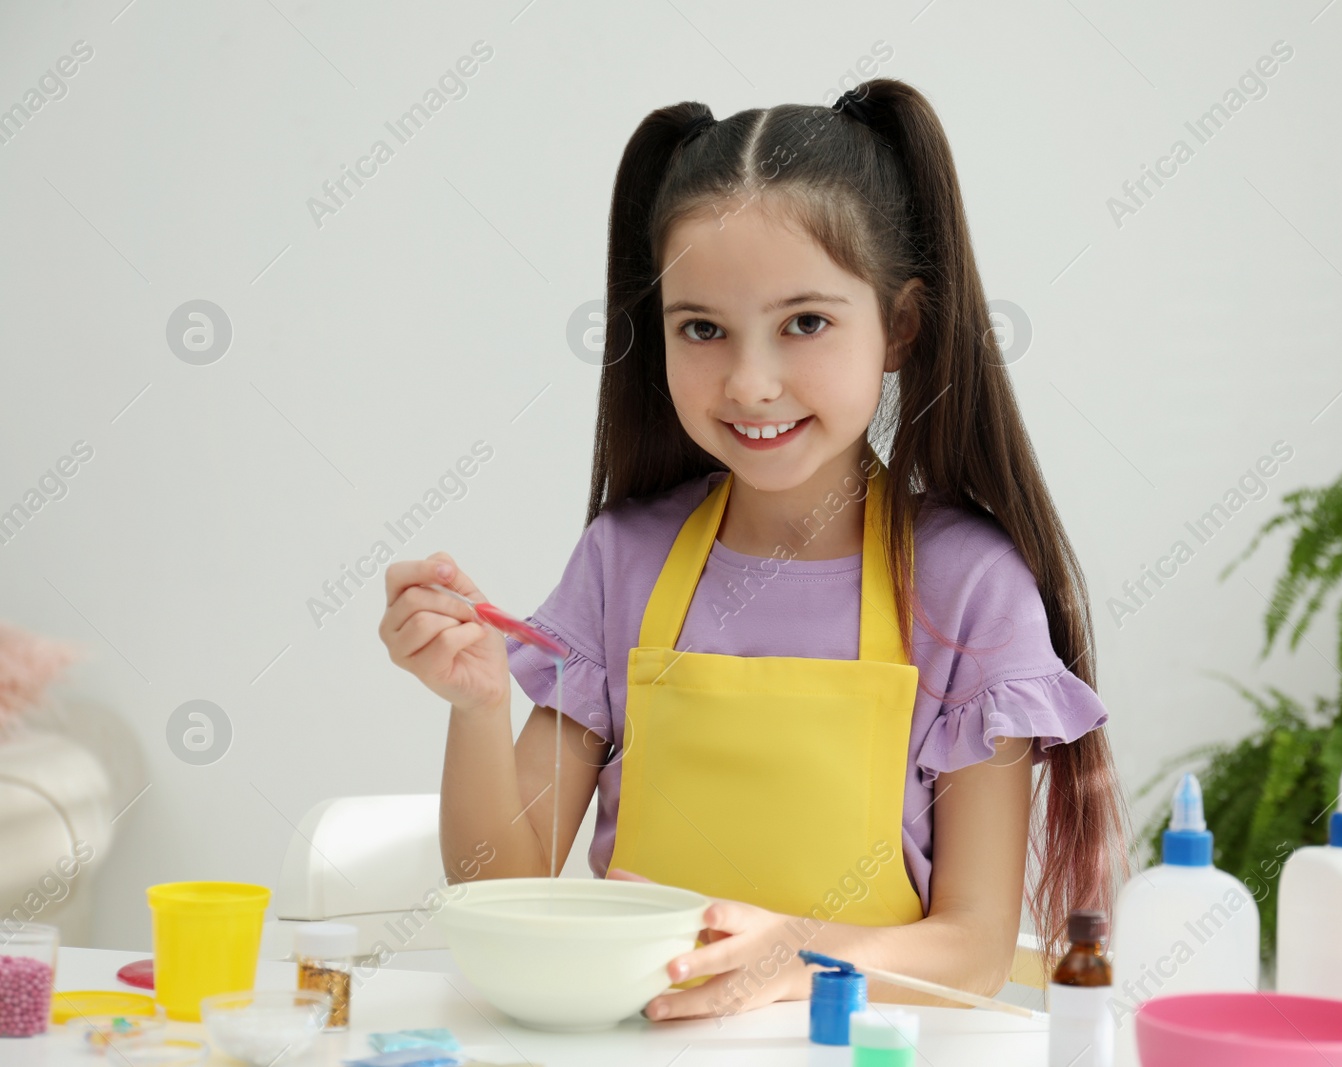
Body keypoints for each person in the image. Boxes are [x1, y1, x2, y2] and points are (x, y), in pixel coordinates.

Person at [379, 77, 1127, 1023]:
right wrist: (479, 706)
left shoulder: (972, 585)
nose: (751, 381)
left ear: (899, 324)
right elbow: (503, 885)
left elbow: (973, 952)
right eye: (702, 329)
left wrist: (792, 956)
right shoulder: (622, 562)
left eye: (804, 322)